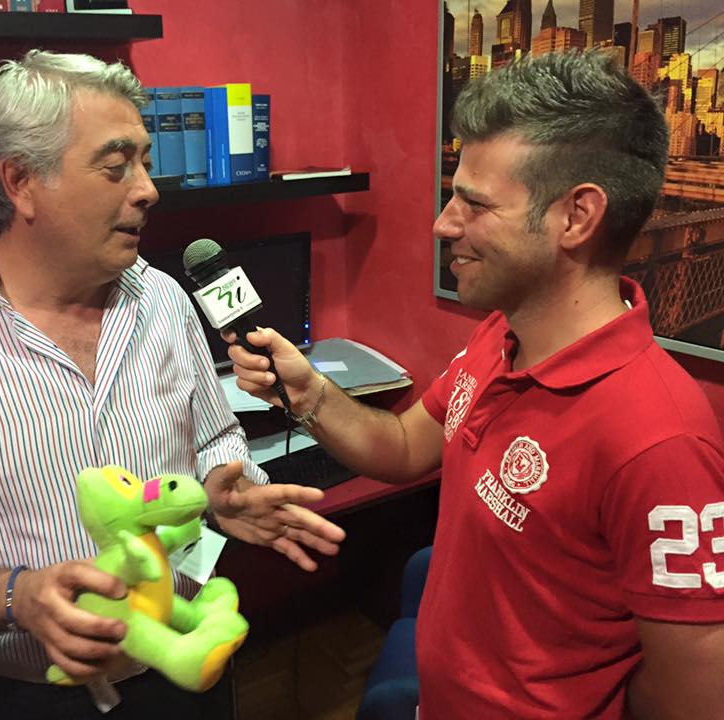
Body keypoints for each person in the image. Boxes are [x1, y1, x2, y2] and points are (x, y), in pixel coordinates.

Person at [0, 50, 344, 719]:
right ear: (21, 181)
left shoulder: (163, 300)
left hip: (183, 672)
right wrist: (16, 595)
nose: (148, 190)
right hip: (23, 697)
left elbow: (215, 437)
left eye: (145, 162)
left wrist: (230, 490)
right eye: (116, 165)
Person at [226, 50, 724, 719]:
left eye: (475, 203)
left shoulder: (661, 441)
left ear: (576, 217)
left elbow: (694, 697)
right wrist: (310, 393)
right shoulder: (499, 334)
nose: (443, 223)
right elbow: (405, 446)